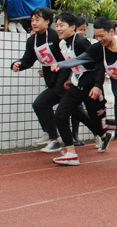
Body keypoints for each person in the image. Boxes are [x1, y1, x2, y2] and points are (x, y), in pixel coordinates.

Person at [53, 17, 117, 166]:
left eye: (102, 36)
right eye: (96, 36)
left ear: (111, 32)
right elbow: (81, 59)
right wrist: (61, 64)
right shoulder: (98, 49)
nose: (99, 39)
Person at [11, 8, 96, 150]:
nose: (34, 23)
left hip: (64, 80)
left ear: (47, 21)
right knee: (76, 111)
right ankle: (101, 133)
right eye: (32, 20)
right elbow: (28, 59)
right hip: (52, 81)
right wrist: (18, 64)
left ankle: (54, 138)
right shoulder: (32, 40)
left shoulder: (56, 37)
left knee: (41, 104)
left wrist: (67, 78)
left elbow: (69, 59)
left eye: (37, 20)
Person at [44, 13, 113, 165]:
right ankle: (71, 153)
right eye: (57, 25)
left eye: (62, 25)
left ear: (72, 27)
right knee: (61, 115)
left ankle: (105, 134)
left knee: (97, 121)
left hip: (90, 84)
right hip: (77, 84)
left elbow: (98, 63)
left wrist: (97, 85)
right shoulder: (62, 44)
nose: (58, 29)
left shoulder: (81, 41)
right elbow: (72, 63)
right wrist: (70, 78)